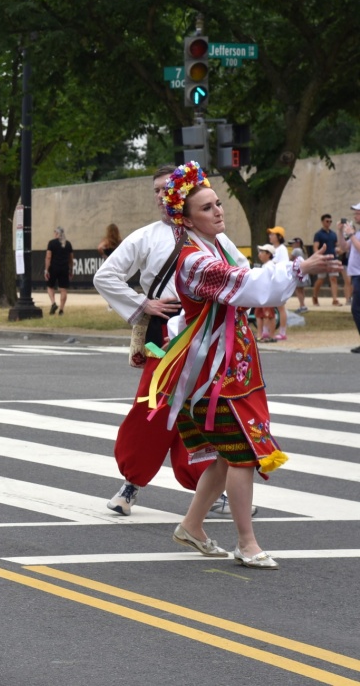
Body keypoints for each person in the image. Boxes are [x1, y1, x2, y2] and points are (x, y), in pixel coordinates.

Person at [150, 162, 339, 569]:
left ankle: (192, 526)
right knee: (242, 455)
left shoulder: (216, 245)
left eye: (218, 203)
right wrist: (299, 267)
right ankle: (247, 542)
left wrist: (292, 270)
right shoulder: (194, 260)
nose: (218, 211)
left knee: (228, 455)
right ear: (186, 219)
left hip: (232, 366)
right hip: (213, 374)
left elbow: (248, 277)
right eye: (207, 208)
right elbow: (248, 286)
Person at [94, 165, 249, 517]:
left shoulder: (215, 239)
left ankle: (208, 488)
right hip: (166, 332)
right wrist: (142, 304)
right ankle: (132, 482)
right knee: (153, 407)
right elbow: (106, 276)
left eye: (169, 188)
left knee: (203, 409)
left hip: (207, 332)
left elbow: (244, 277)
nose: (163, 195)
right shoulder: (146, 236)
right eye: (157, 190)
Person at [341, 202, 360, 353]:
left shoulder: (356, 234)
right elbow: (344, 247)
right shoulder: (357, 234)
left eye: (358, 213)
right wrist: (340, 231)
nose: (355, 216)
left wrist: (352, 235)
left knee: (356, 308)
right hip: (356, 275)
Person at [266, 226, 289, 340]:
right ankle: (267, 330)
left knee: (281, 307)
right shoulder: (273, 249)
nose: (270, 236)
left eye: (273, 234)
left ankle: (282, 332)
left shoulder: (282, 249)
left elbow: (283, 265)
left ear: (279, 237)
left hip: (279, 281)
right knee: (270, 306)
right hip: (272, 280)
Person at [311, 214, 340, 306]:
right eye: (327, 221)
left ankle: (335, 299)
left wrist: (338, 250)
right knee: (321, 279)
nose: (329, 223)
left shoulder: (333, 234)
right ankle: (315, 296)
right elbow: (315, 247)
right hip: (323, 259)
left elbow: (336, 245)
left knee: (333, 278)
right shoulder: (318, 234)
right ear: (322, 222)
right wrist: (318, 257)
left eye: (330, 221)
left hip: (333, 258)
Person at [44, 226, 73, 315]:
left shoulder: (51, 243)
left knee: (50, 286)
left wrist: (46, 270)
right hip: (64, 268)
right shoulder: (68, 244)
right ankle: (61, 309)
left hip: (53, 268)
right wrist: (71, 270)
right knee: (63, 289)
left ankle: (53, 303)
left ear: (57, 233)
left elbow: (48, 257)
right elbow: (71, 259)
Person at [253, 245, 278, 342]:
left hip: (267, 294)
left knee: (269, 315)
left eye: (262, 252)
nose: (259, 254)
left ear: (268, 254)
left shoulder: (270, 266)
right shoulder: (265, 266)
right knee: (259, 314)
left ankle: (271, 335)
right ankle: (260, 334)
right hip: (261, 293)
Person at [290, 237, 309, 312]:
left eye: (293, 243)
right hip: (303, 272)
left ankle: (302, 305)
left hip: (298, 272)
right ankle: (303, 305)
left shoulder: (296, 250)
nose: (292, 245)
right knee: (301, 290)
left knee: (298, 290)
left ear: (297, 243)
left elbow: (290, 258)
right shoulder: (302, 250)